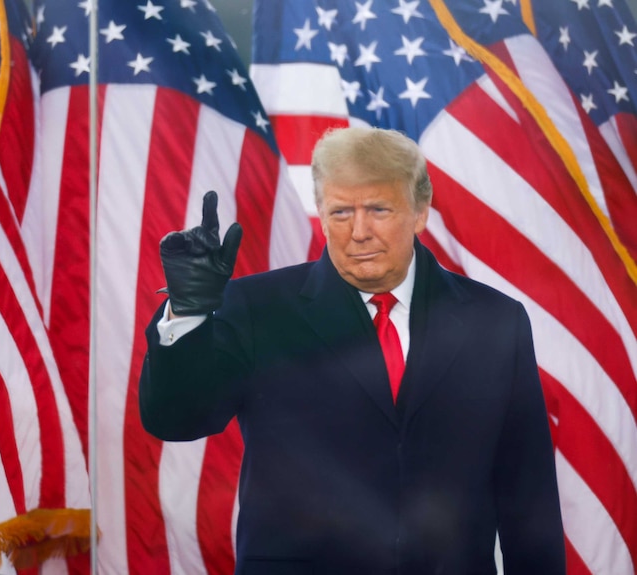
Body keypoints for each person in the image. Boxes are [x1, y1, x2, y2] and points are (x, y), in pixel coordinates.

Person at [139, 126, 565, 574]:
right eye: (341, 212)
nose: (359, 232)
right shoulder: (254, 308)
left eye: (378, 209)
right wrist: (188, 312)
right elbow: (177, 419)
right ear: (321, 214)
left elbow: (527, 491)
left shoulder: (494, 319)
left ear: (420, 211)